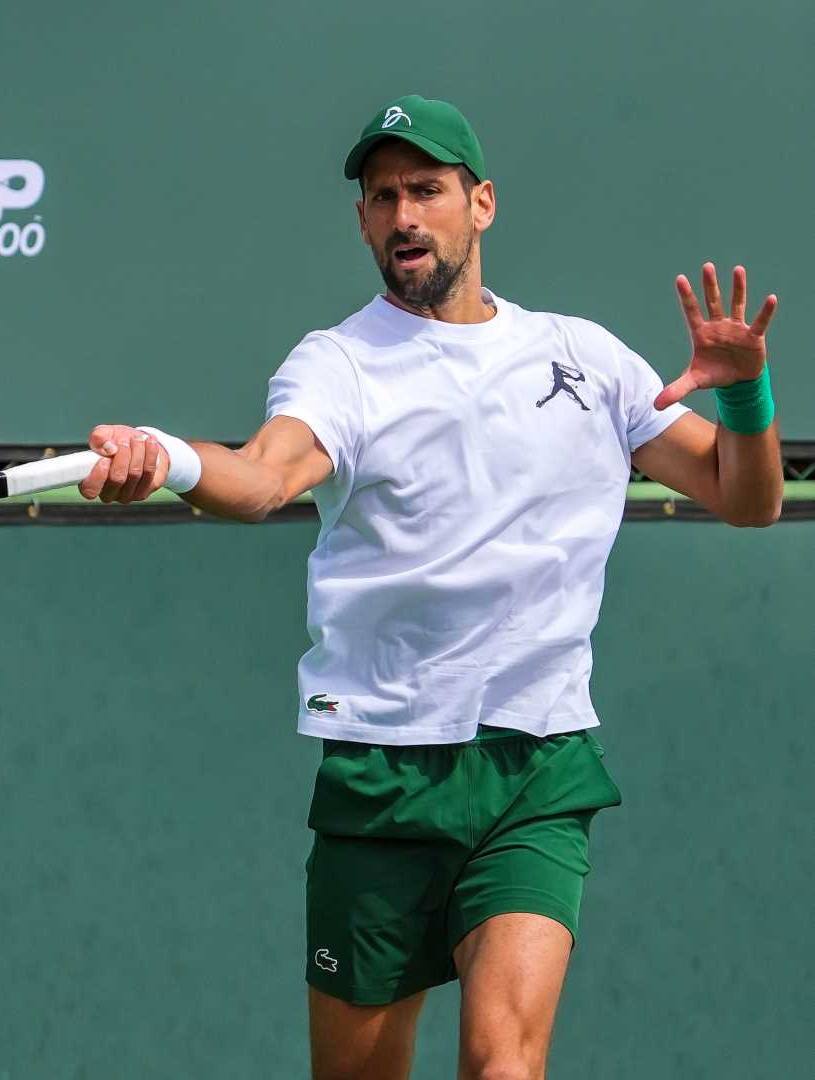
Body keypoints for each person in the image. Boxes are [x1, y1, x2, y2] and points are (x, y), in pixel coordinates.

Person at [77, 94, 783, 1080]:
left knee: (504, 1066)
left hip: (534, 768)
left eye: (426, 190)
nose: (404, 215)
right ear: (364, 220)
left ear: (479, 203)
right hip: (381, 777)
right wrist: (167, 457)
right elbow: (266, 474)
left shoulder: (583, 358)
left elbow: (742, 497)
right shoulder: (337, 365)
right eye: (380, 197)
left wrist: (746, 392)